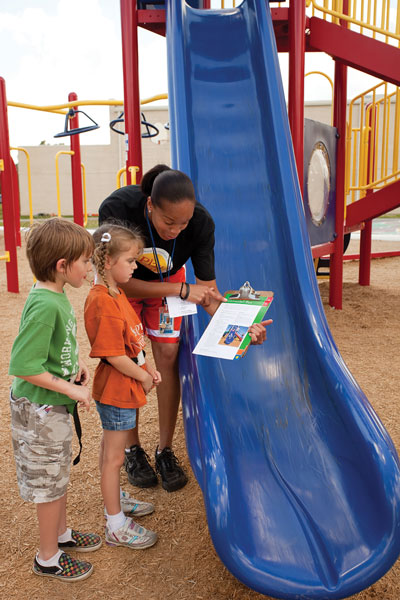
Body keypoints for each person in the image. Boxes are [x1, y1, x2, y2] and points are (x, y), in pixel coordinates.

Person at [99, 165, 271, 493]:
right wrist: (179, 291)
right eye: (168, 222)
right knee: (129, 358)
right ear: (150, 206)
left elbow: (208, 295)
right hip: (123, 286)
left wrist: (245, 326)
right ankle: (133, 449)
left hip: (169, 285)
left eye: (184, 222)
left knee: (167, 352)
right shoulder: (117, 211)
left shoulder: (202, 224)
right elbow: (120, 282)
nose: (177, 229)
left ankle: (164, 449)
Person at [8, 218, 101, 582]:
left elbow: (52, 350)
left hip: (53, 405)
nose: (89, 268)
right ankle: (47, 557)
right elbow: (23, 365)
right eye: (85, 262)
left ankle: (61, 537)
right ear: (62, 266)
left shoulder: (54, 295)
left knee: (58, 476)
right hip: (41, 410)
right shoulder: (46, 304)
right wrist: (72, 389)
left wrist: (72, 367)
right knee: (48, 485)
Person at [84, 223, 161, 550]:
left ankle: (113, 498)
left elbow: (131, 340)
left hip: (123, 388)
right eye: (130, 260)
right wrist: (143, 376)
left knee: (110, 450)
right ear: (107, 262)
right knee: (114, 458)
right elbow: (113, 354)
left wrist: (147, 368)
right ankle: (115, 524)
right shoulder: (102, 300)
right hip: (118, 389)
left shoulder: (117, 294)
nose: (135, 266)